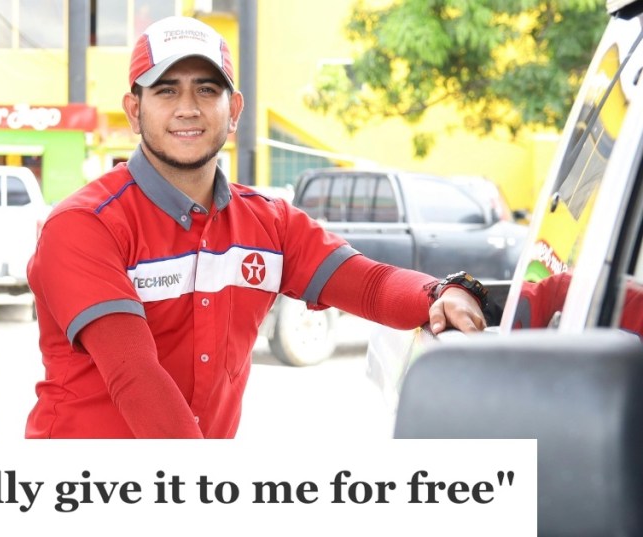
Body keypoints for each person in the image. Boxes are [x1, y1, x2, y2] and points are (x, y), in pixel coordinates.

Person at [25, 16, 487, 439]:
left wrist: (443, 293)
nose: (188, 107)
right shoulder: (83, 225)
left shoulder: (268, 222)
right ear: (133, 110)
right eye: (166, 90)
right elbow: (135, 377)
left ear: (235, 110)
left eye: (207, 90)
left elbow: (370, 285)